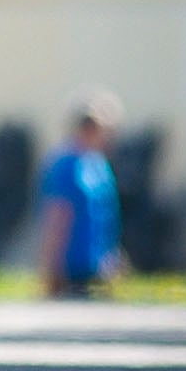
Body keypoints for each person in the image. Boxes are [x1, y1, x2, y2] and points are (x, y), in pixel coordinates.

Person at [35, 93, 123, 299]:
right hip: (70, 269)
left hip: (98, 268)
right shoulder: (66, 165)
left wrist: (113, 256)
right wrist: (50, 268)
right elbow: (57, 216)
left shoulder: (99, 164)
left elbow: (105, 218)